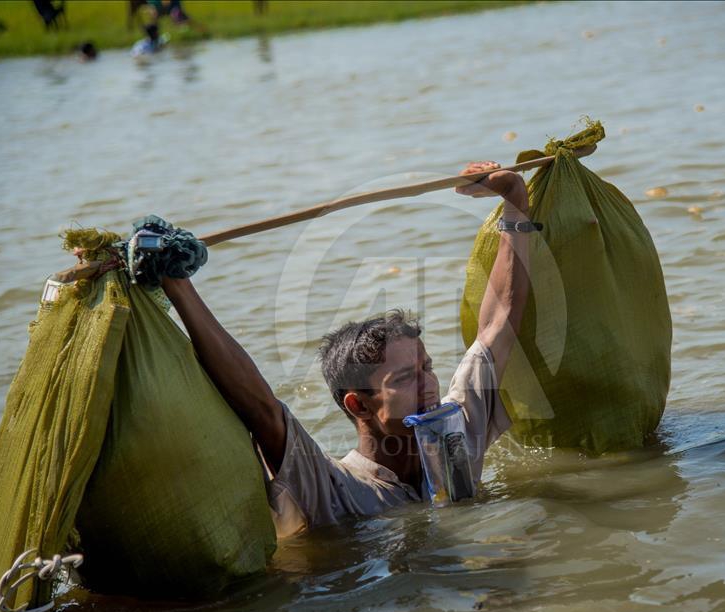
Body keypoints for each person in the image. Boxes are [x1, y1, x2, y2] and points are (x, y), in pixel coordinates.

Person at [161, 161, 534, 537]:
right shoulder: (333, 488)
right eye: (404, 378)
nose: (430, 386)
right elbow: (262, 410)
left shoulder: (454, 435)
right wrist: (178, 286)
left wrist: (515, 198)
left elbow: (497, 325)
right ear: (358, 404)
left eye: (427, 368)